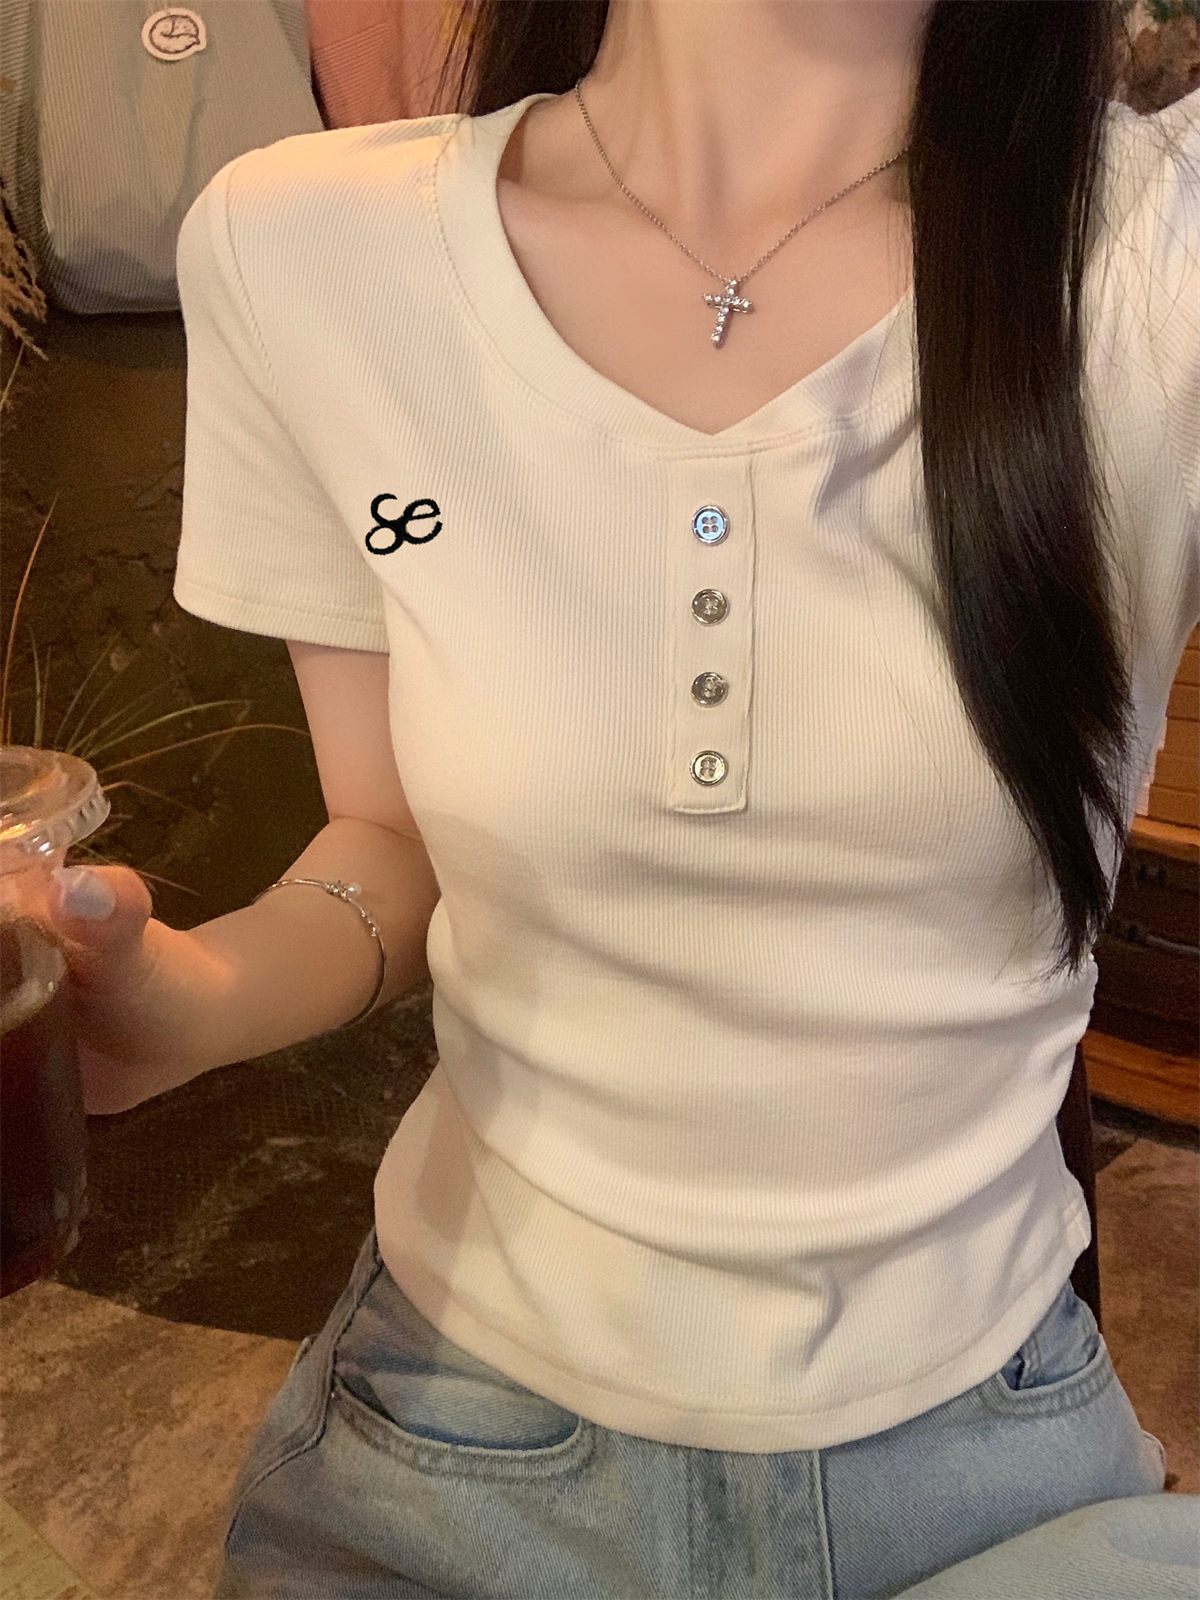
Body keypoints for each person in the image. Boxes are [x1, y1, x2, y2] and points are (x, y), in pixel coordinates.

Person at [46, 2, 1197, 1595]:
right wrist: (181, 1002)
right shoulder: (306, 246)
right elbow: (390, 841)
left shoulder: (1159, 260)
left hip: (994, 1473)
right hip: (448, 1462)